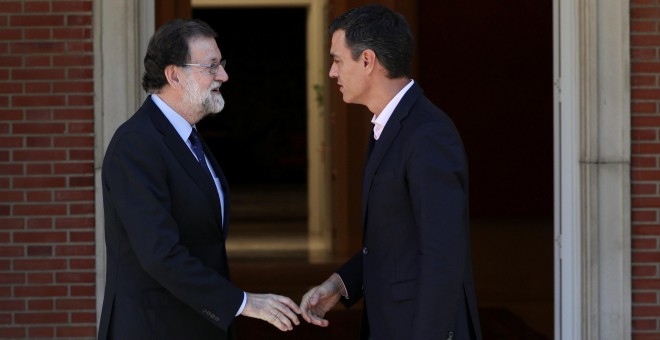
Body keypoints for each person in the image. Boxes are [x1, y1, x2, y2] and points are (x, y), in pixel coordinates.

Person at [97, 19, 301, 340]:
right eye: (212, 66)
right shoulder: (135, 145)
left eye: (221, 65)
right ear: (174, 75)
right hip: (153, 329)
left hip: (194, 324)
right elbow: (160, 253)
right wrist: (242, 303)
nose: (223, 75)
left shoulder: (187, 137)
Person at [300, 4, 482, 340]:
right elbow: (396, 240)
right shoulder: (389, 126)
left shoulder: (428, 134)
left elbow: (443, 255)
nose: (332, 72)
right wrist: (340, 285)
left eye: (338, 60)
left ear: (367, 61)